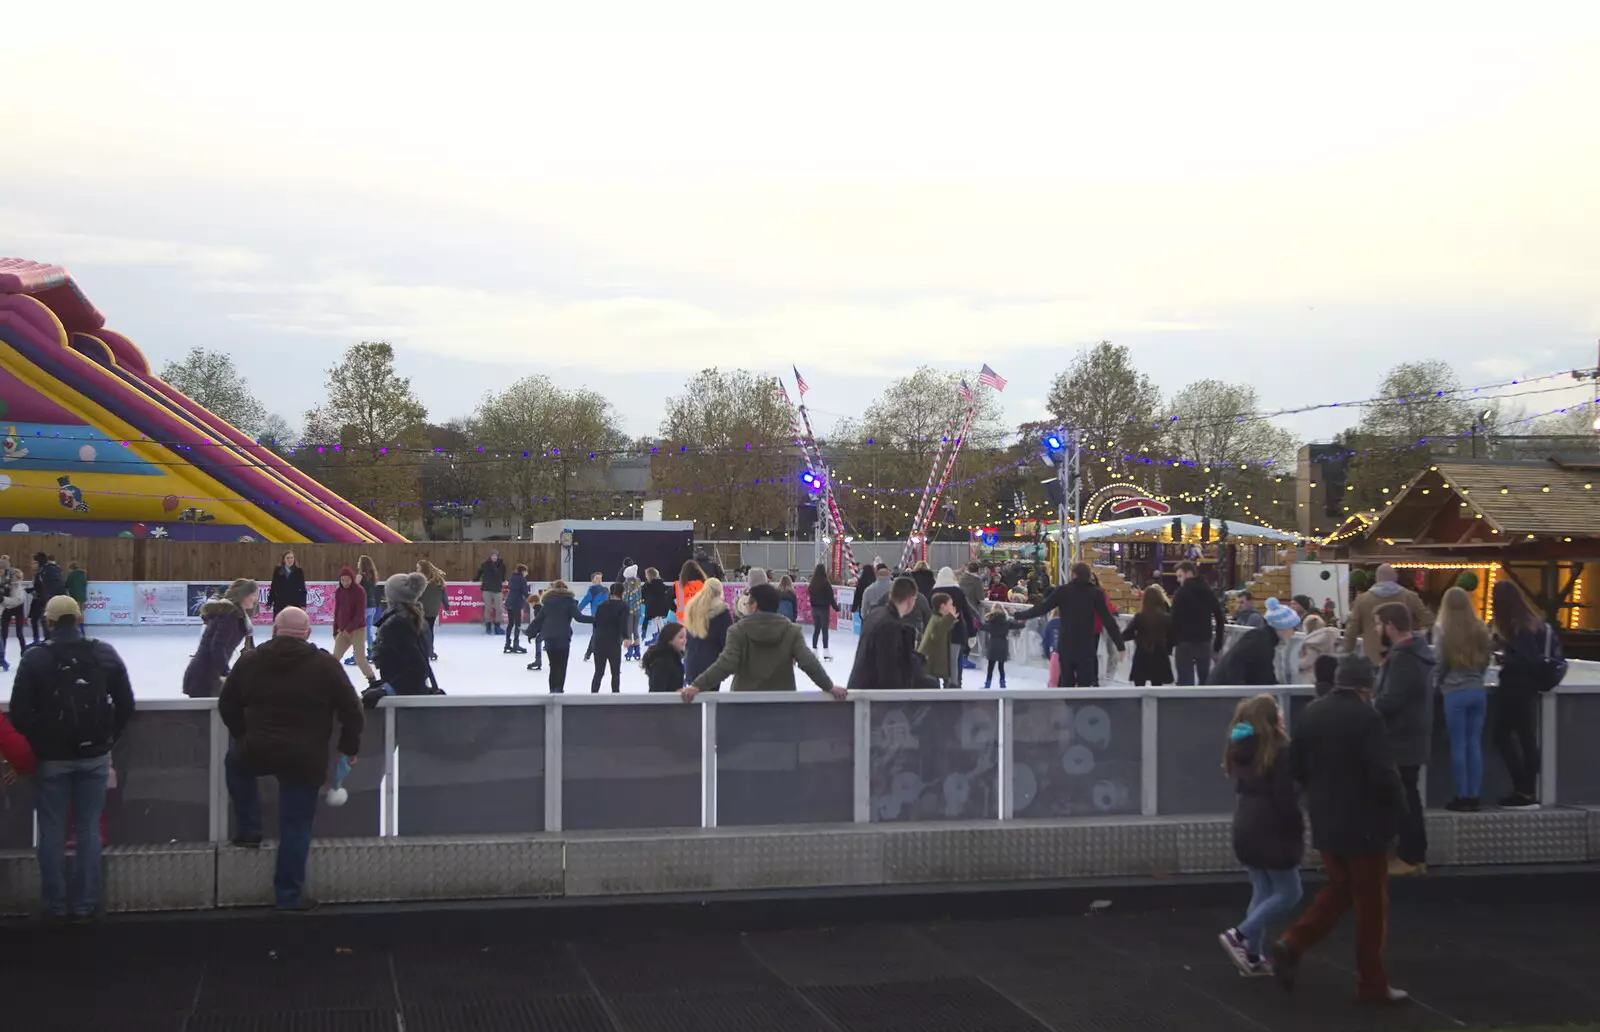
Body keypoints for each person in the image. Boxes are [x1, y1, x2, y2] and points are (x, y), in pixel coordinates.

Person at [1271, 654, 1409, 1005]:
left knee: (1341, 889)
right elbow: (1383, 774)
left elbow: (1297, 766)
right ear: (1366, 686)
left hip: (1325, 820)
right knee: (1371, 907)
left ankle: (1294, 942)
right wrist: (1398, 815)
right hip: (1364, 825)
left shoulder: (1313, 713)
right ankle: (1372, 983)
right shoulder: (1368, 718)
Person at [219, 606, 363, 912]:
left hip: (258, 749)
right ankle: (288, 896)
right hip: (305, 757)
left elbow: (227, 703)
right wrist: (348, 748)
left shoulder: (251, 660)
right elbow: (352, 710)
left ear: (273, 630)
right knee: (295, 826)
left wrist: (243, 735)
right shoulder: (325, 664)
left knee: (235, 764)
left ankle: (249, 829)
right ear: (308, 633)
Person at [9, 595, 134, 921]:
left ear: (48, 622)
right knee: (88, 828)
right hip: (94, 755)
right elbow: (126, 704)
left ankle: (54, 902)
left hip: (52, 759)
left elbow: (20, 712)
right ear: (79, 619)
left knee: (52, 831)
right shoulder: (103, 651)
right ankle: (85, 903)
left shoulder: (36, 657)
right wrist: (106, 740)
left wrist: (44, 742)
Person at [1219, 694, 1303, 977]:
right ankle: (1240, 935)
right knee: (1290, 892)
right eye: (1277, 709)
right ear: (1270, 718)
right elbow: (1285, 799)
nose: (1282, 713)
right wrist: (1297, 830)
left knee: (1263, 890)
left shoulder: (1242, 747)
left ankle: (1253, 957)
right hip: (1271, 829)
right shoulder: (1281, 751)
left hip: (1245, 825)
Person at [681, 584, 847, 698]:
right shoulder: (791, 631)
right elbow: (808, 661)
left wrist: (697, 686)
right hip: (781, 703)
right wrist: (829, 687)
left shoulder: (738, 631)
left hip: (744, 703)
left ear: (754, 605)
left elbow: (725, 664)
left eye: (749, 601)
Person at [1372, 602, 1434, 876]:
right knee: (1406, 796)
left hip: (1401, 739)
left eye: (1378, 624)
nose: (1375, 630)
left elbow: (1391, 700)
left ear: (1390, 626)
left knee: (1405, 799)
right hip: (1407, 737)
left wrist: (1368, 705)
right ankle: (1410, 854)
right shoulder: (1411, 655)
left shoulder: (1404, 659)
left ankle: (1411, 856)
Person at [1016, 563, 1126, 687]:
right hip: (1086, 648)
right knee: (1084, 686)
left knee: (1067, 685)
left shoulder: (1063, 591)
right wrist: (1120, 645)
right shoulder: (1096, 593)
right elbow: (1109, 621)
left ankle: (1069, 704)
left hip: (1066, 646)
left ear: (1073, 574)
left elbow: (1042, 608)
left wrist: (1019, 615)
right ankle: (1079, 705)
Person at [1430, 586, 1490, 812]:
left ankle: (1462, 795)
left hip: (1455, 692)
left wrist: (1438, 683)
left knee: (1458, 744)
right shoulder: (1479, 627)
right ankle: (1475, 795)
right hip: (1478, 691)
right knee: (1474, 744)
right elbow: (1486, 660)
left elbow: (1440, 663)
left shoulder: (1443, 630)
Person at [1490, 579, 1547, 810]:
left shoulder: (1517, 627)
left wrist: (1505, 659)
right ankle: (1527, 789)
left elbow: (1528, 659)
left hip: (1515, 688)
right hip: (1527, 689)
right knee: (1526, 738)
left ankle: (1523, 789)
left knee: (1503, 737)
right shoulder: (1531, 623)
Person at [850, 577, 938, 692]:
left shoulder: (876, 614)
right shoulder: (889, 626)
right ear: (911, 599)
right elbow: (888, 670)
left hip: (861, 687)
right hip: (872, 697)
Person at [1342, 564, 1433, 666]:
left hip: (1372, 660)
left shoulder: (1362, 600)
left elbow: (1351, 632)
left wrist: (1345, 656)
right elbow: (1429, 621)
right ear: (1395, 578)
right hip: (1405, 658)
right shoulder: (1410, 597)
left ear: (1377, 579)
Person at [368, 572, 439, 700]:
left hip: (405, 700)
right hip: (411, 693)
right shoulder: (416, 619)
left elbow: (418, 668)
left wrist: (387, 689)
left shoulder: (397, 624)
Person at [182, 579, 258, 698]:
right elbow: (217, 646)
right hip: (204, 676)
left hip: (211, 675)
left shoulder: (237, 614)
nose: (255, 598)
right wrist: (226, 673)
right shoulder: (230, 615)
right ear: (243, 595)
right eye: (253, 594)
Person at [1209, 598, 1300, 686]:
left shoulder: (1264, 639)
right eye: (1292, 628)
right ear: (1282, 626)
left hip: (1223, 691)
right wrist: (1239, 690)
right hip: (1223, 695)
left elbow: (1264, 674)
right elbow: (1235, 661)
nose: (1293, 633)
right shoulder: (1261, 641)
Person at [576, 581, 631, 693]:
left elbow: (596, 623)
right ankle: (615, 697)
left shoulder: (602, 605)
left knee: (598, 672)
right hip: (613, 642)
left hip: (599, 641)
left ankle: (593, 696)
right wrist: (626, 637)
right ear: (622, 593)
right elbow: (623, 623)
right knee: (615, 673)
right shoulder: (623, 606)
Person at [683, 578, 732, 685]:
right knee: (711, 700)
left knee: (693, 699)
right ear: (720, 591)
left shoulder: (692, 607)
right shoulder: (722, 612)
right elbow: (727, 642)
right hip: (712, 667)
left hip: (691, 662)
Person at [330, 566, 375, 682]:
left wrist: (349, 628)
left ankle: (372, 679)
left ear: (352, 579)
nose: (345, 583)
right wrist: (335, 629)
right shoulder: (339, 592)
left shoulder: (359, 591)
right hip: (343, 631)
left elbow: (360, 613)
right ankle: (330, 680)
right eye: (343, 580)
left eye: (348, 580)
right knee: (334, 659)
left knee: (359, 659)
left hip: (358, 630)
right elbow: (337, 611)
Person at [1127, 584, 1174, 686]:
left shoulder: (1140, 617)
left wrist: (1137, 635)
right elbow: (1173, 637)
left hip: (1141, 655)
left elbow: (1126, 634)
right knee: (1157, 687)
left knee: (1139, 688)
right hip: (1160, 654)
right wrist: (1168, 649)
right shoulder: (1167, 618)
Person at [933, 567, 980, 671]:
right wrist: (972, 633)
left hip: (938, 633)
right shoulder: (958, 592)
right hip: (957, 631)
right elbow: (967, 613)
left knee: (942, 666)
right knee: (956, 667)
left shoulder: (933, 593)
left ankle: (944, 683)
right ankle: (955, 684)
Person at [918, 592, 960, 688]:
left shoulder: (938, 619)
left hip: (931, 663)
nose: (952, 607)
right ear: (943, 606)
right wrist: (950, 618)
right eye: (950, 604)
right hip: (929, 664)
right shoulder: (936, 620)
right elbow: (936, 635)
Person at [981, 605, 1023, 689]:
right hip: (1003, 644)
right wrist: (1023, 620)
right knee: (1001, 667)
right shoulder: (1007, 622)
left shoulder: (991, 623)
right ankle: (1002, 682)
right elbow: (1019, 625)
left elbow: (981, 626)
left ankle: (988, 683)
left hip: (993, 644)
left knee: (990, 666)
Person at [416, 560, 450, 660]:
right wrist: (447, 607)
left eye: (418, 567)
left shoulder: (421, 579)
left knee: (421, 630)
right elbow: (444, 595)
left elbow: (417, 595)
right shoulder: (439, 580)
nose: (417, 569)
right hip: (434, 609)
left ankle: (423, 650)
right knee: (429, 630)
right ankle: (430, 650)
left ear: (423, 568)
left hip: (423, 609)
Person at [30, 551, 65, 644]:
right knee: (41, 619)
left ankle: (51, 640)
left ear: (39, 562)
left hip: (51, 599)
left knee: (46, 619)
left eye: (34, 562)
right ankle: (47, 639)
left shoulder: (48, 570)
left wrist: (50, 598)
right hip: (45, 599)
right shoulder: (42, 571)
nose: (32, 565)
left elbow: (54, 585)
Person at [0, 555, 27, 670]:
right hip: (6, 608)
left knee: (19, 633)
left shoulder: (14, 579)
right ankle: (2, 658)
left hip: (16, 607)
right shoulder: (3, 579)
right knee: (3, 634)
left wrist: (3, 600)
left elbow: (18, 599)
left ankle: (24, 655)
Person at [807, 564, 840, 660]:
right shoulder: (826, 583)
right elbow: (830, 597)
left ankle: (814, 651)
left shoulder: (812, 583)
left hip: (814, 609)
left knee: (816, 630)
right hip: (824, 610)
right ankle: (826, 652)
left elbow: (810, 594)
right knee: (824, 630)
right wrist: (836, 608)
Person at [643, 622, 687, 692]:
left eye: (685, 637)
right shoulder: (663, 661)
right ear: (669, 640)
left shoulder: (675, 658)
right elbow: (656, 692)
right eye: (681, 637)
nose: (685, 640)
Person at [1297, 613, 1340, 679]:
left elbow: (1307, 663)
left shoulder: (1313, 642)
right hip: (1329, 674)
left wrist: (1294, 662)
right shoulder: (1329, 637)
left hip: (1313, 676)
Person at [356, 554, 383, 654]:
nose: (357, 564)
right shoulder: (373, 576)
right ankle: (371, 650)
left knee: (360, 631)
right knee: (368, 630)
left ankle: (358, 653)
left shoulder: (360, 576)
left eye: (359, 562)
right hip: (372, 606)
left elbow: (353, 588)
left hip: (363, 606)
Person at [476, 549, 507, 635]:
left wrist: (504, 580)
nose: (494, 557)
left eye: (495, 556)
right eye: (493, 556)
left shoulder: (502, 565)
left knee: (499, 609)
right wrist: (475, 580)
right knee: (488, 608)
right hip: (487, 589)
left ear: (498, 556)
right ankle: (488, 625)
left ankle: (497, 626)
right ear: (490, 556)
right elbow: (479, 573)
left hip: (497, 589)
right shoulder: (485, 564)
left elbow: (502, 574)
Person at [266, 550, 307, 614]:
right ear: (283, 560)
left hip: (295, 603)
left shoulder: (299, 571)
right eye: (288, 558)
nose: (290, 560)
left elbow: (303, 589)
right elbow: (273, 588)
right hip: (280, 603)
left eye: (292, 558)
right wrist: (269, 603)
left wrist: (303, 604)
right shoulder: (278, 571)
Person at [504, 563, 531, 655]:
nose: (526, 573)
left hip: (509, 600)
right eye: (526, 571)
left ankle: (507, 644)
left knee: (510, 623)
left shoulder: (512, 577)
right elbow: (524, 592)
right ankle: (516, 644)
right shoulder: (522, 579)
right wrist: (530, 597)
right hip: (516, 602)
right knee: (517, 623)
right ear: (523, 571)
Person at [640, 567, 672, 645]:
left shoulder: (648, 586)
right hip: (663, 607)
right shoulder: (661, 584)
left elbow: (642, 594)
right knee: (657, 619)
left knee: (655, 619)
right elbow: (669, 591)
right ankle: (661, 636)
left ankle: (658, 637)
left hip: (652, 607)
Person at [675, 560, 707, 624]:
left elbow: (667, 597)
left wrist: (675, 608)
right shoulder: (704, 584)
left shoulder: (679, 585)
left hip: (683, 619)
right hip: (700, 618)